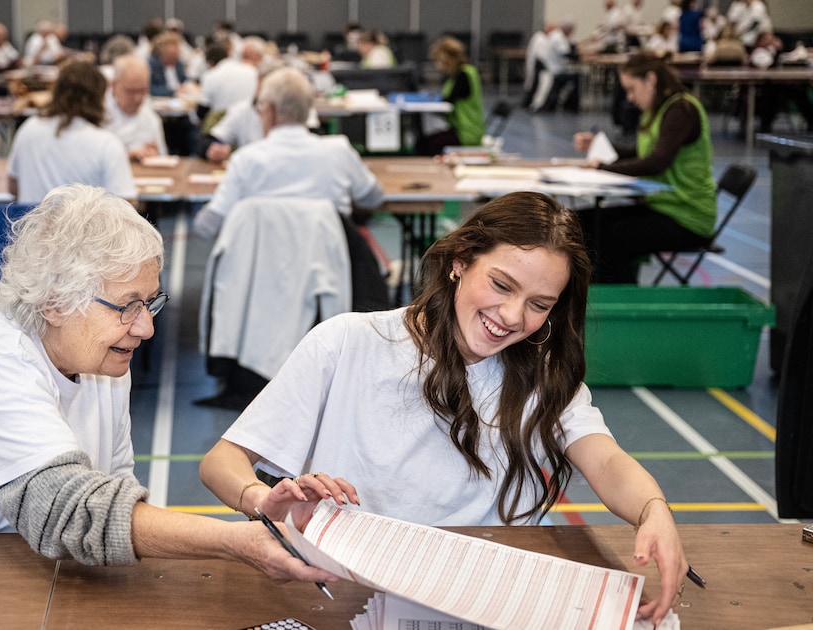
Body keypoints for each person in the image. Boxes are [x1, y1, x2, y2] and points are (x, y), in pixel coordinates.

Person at [198, 191, 687, 627]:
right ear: (460, 261)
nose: (512, 316)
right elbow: (222, 461)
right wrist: (262, 499)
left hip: (485, 594)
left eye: (539, 305)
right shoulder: (347, 343)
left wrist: (653, 510)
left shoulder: (543, 375)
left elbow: (606, 460)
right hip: (350, 589)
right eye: (501, 285)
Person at [0, 183, 338, 590]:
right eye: (127, 305)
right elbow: (70, 513)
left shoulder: (101, 361)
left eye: (151, 302)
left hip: (2, 569)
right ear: (55, 302)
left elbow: (111, 496)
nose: (146, 327)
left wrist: (258, 506)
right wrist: (235, 542)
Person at [192, 68, 382, 241]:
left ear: (269, 111)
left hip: (264, 264)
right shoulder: (339, 151)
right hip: (328, 263)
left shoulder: (245, 160)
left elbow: (207, 227)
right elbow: (373, 198)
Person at [572, 53, 715, 284]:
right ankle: (594, 290)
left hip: (687, 216)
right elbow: (642, 153)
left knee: (613, 237)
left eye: (631, 89)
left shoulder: (681, 109)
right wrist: (600, 146)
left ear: (650, 79)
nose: (629, 98)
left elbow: (657, 162)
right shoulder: (657, 109)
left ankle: (620, 299)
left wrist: (604, 168)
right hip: (661, 206)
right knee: (582, 222)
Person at [5, 60, 135, 204]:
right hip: (83, 219)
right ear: (100, 98)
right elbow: (126, 205)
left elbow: (13, 187)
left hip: (32, 218)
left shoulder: (28, 129)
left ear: (56, 92)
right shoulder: (107, 143)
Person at [417, 36, 484, 155]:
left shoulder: (463, 75)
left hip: (466, 132)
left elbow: (449, 101)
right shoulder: (462, 73)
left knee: (426, 145)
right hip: (461, 129)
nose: (438, 66)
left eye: (438, 61)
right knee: (424, 141)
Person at [103, 55, 167, 162]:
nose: (138, 98)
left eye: (143, 91)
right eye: (131, 91)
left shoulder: (151, 118)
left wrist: (155, 154)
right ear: (113, 87)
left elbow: (163, 157)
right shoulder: (99, 116)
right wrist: (125, 156)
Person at [197, 37, 261, 116]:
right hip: (250, 118)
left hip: (222, 120)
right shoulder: (252, 71)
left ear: (210, 63)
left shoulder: (210, 76)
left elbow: (202, 111)